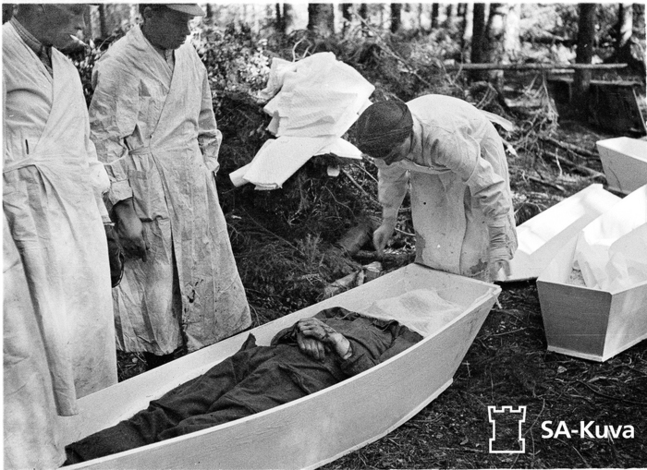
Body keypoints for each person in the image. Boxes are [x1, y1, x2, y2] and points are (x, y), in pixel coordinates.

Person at [89, 4, 251, 368]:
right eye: (179, 20)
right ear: (149, 13)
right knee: (157, 280)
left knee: (204, 270)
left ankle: (211, 356)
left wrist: (205, 166)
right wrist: (123, 209)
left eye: (190, 21)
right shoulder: (119, 64)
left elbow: (206, 119)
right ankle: (162, 363)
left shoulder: (188, 54)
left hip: (192, 180)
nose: (187, 30)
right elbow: (103, 142)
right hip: (148, 185)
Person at [64, 307, 422, 463]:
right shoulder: (343, 310)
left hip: (302, 377)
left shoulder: (405, 337)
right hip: (256, 358)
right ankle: (75, 459)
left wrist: (335, 341)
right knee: (166, 410)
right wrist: (300, 330)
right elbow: (286, 331)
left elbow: (375, 379)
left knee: (204, 428)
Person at [3, 3, 117, 425]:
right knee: (42, 320)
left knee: (85, 315)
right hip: (25, 214)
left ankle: (91, 416)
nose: (82, 24)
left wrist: (104, 217)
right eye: (74, 10)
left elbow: (84, 146)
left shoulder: (66, 68)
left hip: (77, 210)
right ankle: (48, 423)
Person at [355, 96, 518, 281]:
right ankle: (441, 280)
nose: (388, 161)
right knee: (433, 226)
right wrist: (388, 221)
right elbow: (390, 178)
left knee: (476, 235)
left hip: (473, 148)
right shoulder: (386, 145)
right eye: (382, 157)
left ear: (407, 134)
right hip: (427, 159)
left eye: (392, 154)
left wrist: (498, 241)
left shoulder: (444, 140)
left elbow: (489, 187)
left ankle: (479, 284)